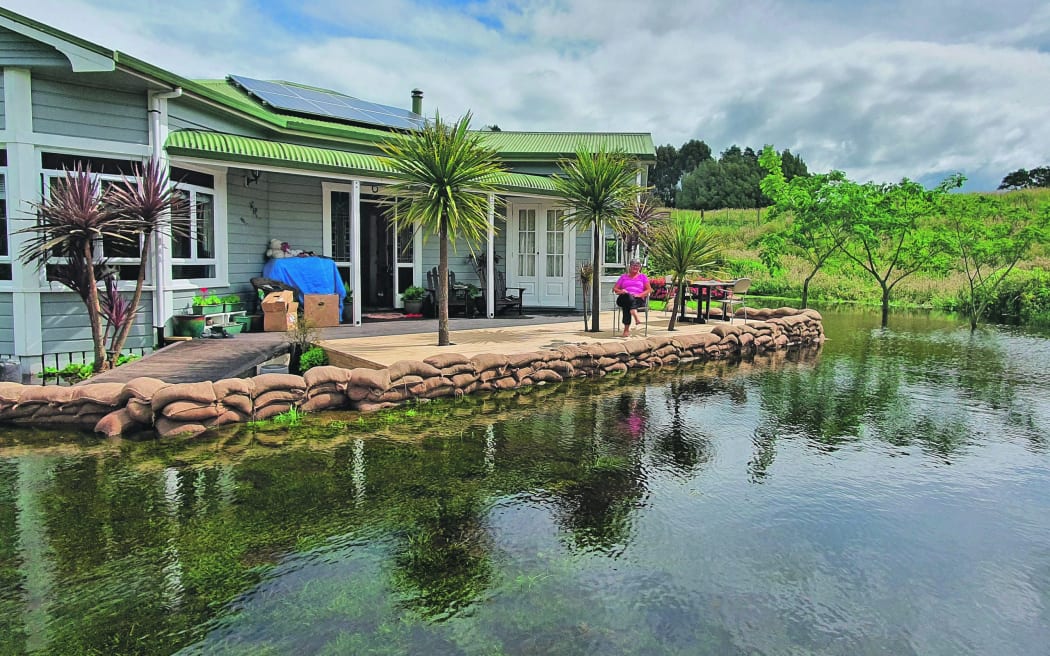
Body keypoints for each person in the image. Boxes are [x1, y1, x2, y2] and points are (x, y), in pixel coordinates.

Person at [613, 259, 652, 337]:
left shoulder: (643, 277)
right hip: (623, 297)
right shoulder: (623, 277)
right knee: (628, 296)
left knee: (627, 305)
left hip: (638, 299)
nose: (635, 267)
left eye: (637, 266)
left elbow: (649, 289)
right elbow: (615, 289)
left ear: (640, 267)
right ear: (629, 267)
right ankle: (634, 312)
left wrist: (640, 295)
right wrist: (622, 291)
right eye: (633, 265)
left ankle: (626, 330)